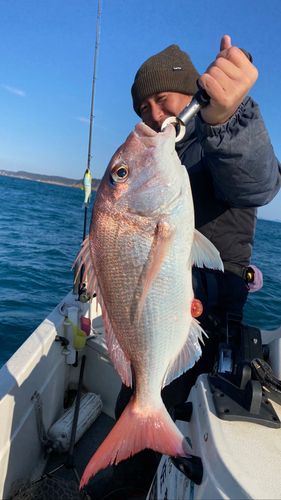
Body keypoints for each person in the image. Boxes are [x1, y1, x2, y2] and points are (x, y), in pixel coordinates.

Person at [115, 35, 281, 418]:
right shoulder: (160, 157)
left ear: (193, 94)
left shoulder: (215, 145)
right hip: (161, 308)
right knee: (141, 404)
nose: (153, 114)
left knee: (190, 417)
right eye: (143, 107)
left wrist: (225, 120)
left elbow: (258, 184)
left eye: (161, 99)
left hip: (213, 307)